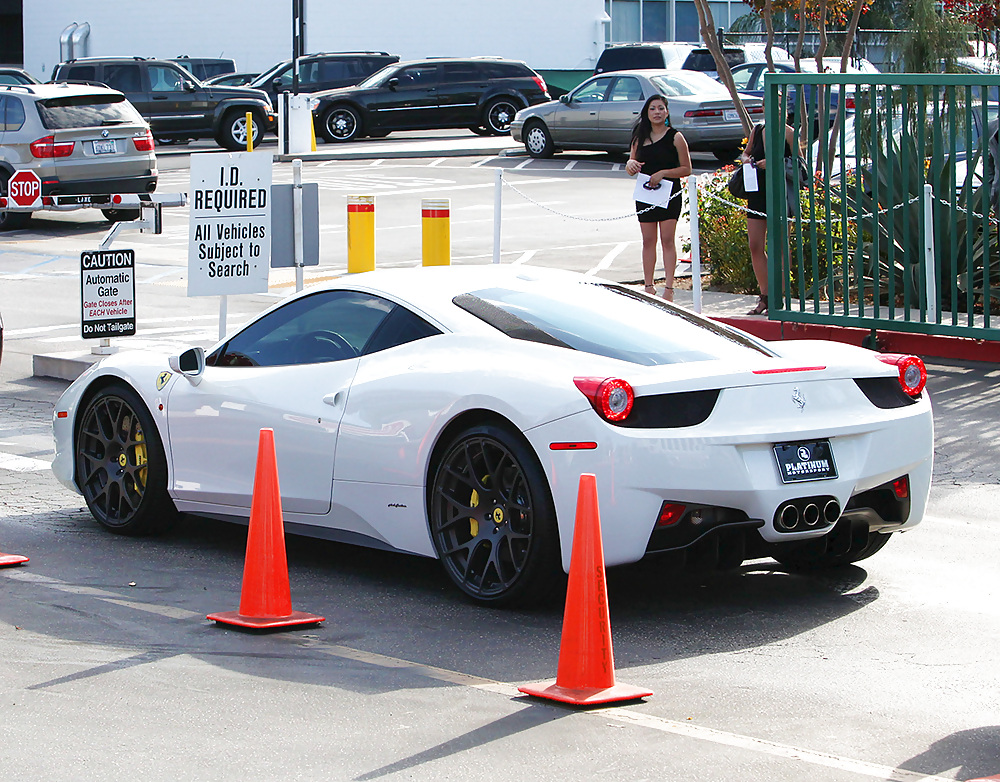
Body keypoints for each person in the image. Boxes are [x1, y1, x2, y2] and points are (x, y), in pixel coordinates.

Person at [625, 94, 692, 302]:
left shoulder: (676, 137)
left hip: (669, 194)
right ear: (647, 112)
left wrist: (663, 173)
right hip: (645, 195)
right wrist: (630, 165)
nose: (657, 112)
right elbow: (631, 164)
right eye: (653, 108)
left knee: (667, 240)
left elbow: (686, 169)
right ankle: (648, 286)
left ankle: (669, 288)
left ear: (667, 112)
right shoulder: (639, 136)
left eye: (661, 108)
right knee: (648, 240)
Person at [741, 120, 798, 315]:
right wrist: (746, 159)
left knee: (781, 245)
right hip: (757, 190)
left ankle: (779, 296)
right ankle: (765, 296)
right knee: (755, 245)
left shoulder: (789, 133)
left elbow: (800, 164)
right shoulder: (758, 129)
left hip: (780, 192)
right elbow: (746, 152)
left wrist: (774, 163)